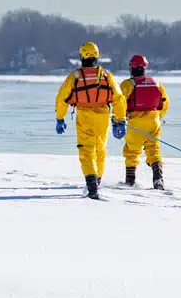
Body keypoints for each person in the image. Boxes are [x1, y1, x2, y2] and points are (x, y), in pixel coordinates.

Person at [55, 42, 128, 199]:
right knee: (100, 151)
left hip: (84, 116)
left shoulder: (75, 76)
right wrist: (120, 120)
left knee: (86, 151)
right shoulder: (106, 75)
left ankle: (92, 186)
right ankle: (97, 180)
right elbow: (119, 98)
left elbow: (62, 98)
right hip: (102, 117)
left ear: (82, 56)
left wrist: (60, 118)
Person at [119, 54, 170, 189]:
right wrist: (158, 116)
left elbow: (120, 102)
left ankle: (130, 181)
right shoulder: (156, 83)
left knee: (131, 151)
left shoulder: (127, 84)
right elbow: (165, 103)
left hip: (135, 123)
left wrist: (119, 119)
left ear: (131, 68)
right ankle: (158, 179)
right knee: (153, 150)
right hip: (154, 121)